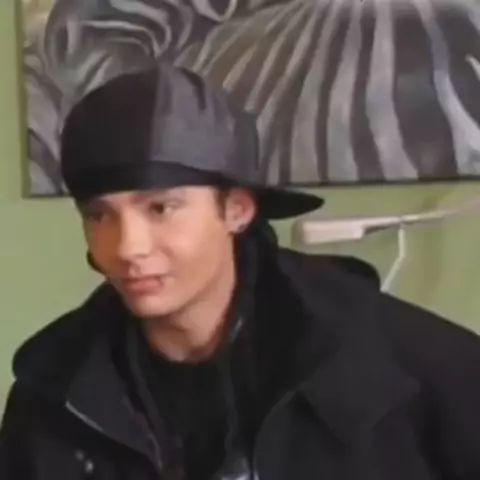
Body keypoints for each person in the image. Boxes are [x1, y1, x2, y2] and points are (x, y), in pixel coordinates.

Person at [1, 63, 480, 480]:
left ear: (236, 210)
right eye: (99, 215)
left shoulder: (409, 364)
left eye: (161, 208)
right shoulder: (51, 394)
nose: (127, 247)